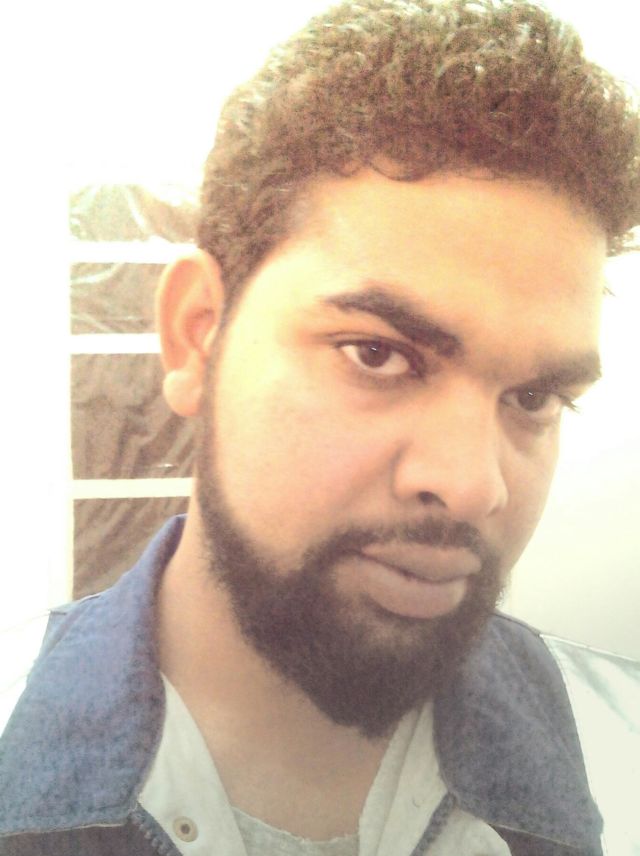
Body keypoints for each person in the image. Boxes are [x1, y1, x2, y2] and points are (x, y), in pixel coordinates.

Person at [2, 0, 639, 854]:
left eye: (533, 398)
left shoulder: (620, 760)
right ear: (197, 334)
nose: (472, 485)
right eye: (378, 354)